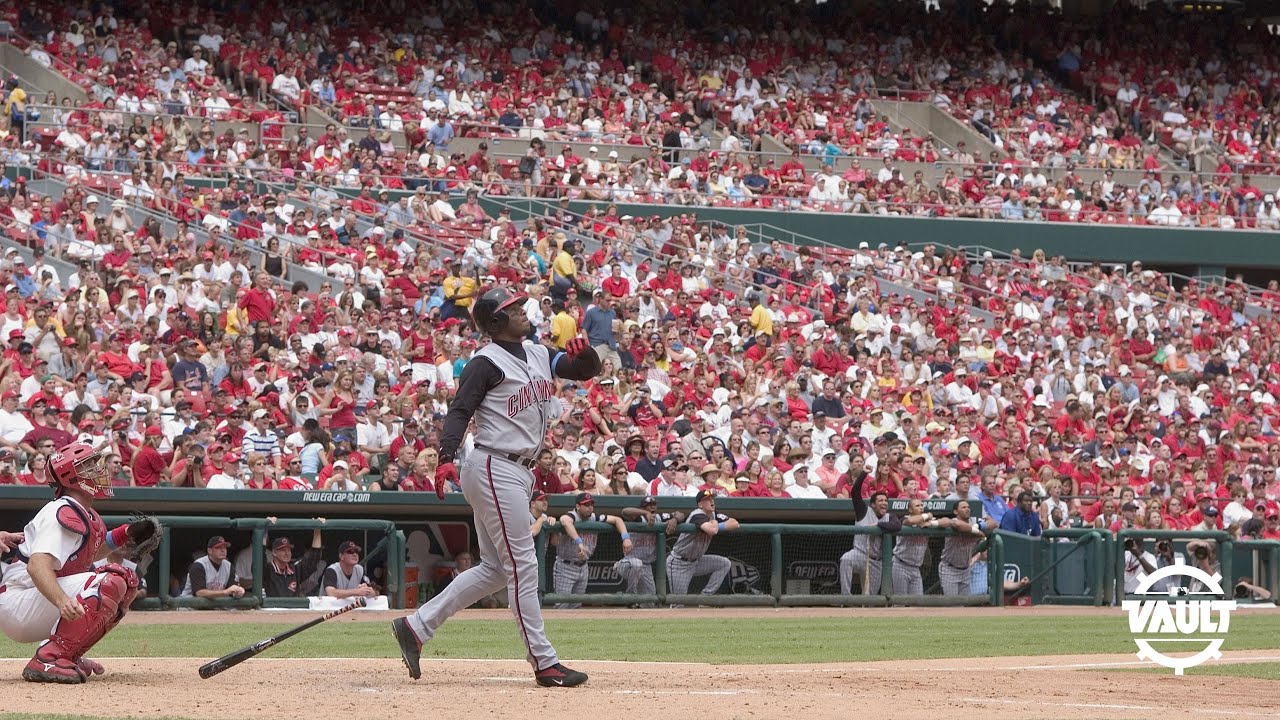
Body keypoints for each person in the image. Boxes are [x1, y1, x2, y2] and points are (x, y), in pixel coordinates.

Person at [391, 286, 601, 688]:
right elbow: (459, 411)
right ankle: (544, 661)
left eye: (521, 306)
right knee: (523, 565)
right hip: (493, 464)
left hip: (515, 470)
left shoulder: (539, 352)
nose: (523, 311)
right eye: (513, 309)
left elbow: (582, 369)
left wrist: (585, 351)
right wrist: (446, 457)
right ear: (495, 322)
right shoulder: (484, 362)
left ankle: (416, 627)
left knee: (493, 570)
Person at [0, 443, 140, 683]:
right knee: (111, 581)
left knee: (127, 582)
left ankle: (68, 654)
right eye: (88, 466)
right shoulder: (62, 510)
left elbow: (91, 552)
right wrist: (62, 601)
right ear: (71, 476)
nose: (98, 470)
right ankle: (50, 658)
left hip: (30, 598)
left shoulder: (84, 512)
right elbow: (37, 565)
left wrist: (126, 533)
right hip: (18, 600)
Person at [552, 492, 632, 609]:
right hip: (565, 566)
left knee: (576, 605)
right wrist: (579, 542)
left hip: (583, 566)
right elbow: (564, 520)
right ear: (578, 506)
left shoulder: (594, 517)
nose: (590, 507)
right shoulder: (573, 515)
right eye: (586, 505)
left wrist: (626, 538)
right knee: (562, 605)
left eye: (591, 505)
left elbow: (617, 520)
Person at [665, 488, 739, 604]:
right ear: (700, 504)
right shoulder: (697, 515)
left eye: (712, 498)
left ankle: (705, 598)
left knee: (724, 563)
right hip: (679, 563)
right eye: (707, 499)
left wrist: (716, 525)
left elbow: (735, 523)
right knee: (678, 604)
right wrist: (715, 523)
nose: (711, 501)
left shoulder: (713, 514)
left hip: (697, 561)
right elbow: (711, 530)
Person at [839, 470, 901, 594]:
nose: (884, 503)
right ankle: (845, 596)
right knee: (846, 559)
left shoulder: (890, 516)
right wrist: (863, 474)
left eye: (885, 501)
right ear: (873, 504)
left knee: (870, 600)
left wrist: (878, 525)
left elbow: (897, 526)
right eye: (880, 501)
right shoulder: (864, 511)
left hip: (876, 560)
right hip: (859, 553)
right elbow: (855, 492)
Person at [614, 496, 684, 604]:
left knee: (650, 603)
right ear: (643, 508)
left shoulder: (659, 518)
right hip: (629, 562)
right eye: (649, 505)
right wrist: (644, 513)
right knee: (636, 564)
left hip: (646, 566)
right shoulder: (638, 518)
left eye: (654, 504)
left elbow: (680, 514)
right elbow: (625, 511)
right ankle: (630, 598)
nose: (652, 507)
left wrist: (674, 519)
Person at [936, 499, 989, 596]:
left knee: (964, 605)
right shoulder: (954, 521)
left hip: (965, 570)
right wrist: (976, 531)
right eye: (963, 507)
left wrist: (978, 526)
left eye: (968, 507)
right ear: (956, 511)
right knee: (952, 604)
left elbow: (993, 523)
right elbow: (958, 524)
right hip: (950, 568)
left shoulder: (974, 521)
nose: (967, 509)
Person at [891, 498, 938, 595]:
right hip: (900, 565)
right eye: (917, 506)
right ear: (910, 510)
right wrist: (927, 515)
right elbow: (910, 521)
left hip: (916, 568)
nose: (921, 507)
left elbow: (947, 522)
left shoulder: (928, 521)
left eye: (922, 505)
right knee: (900, 602)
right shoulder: (905, 518)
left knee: (917, 602)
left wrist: (932, 523)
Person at [179, 536, 245, 601]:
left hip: (213, 607)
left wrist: (238, 592)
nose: (223, 550)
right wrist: (225, 592)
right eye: (218, 547)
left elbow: (233, 590)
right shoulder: (198, 565)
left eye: (224, 547)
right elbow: (199, 593)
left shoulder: (229, 566)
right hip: (189, 606)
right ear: (209, 550)